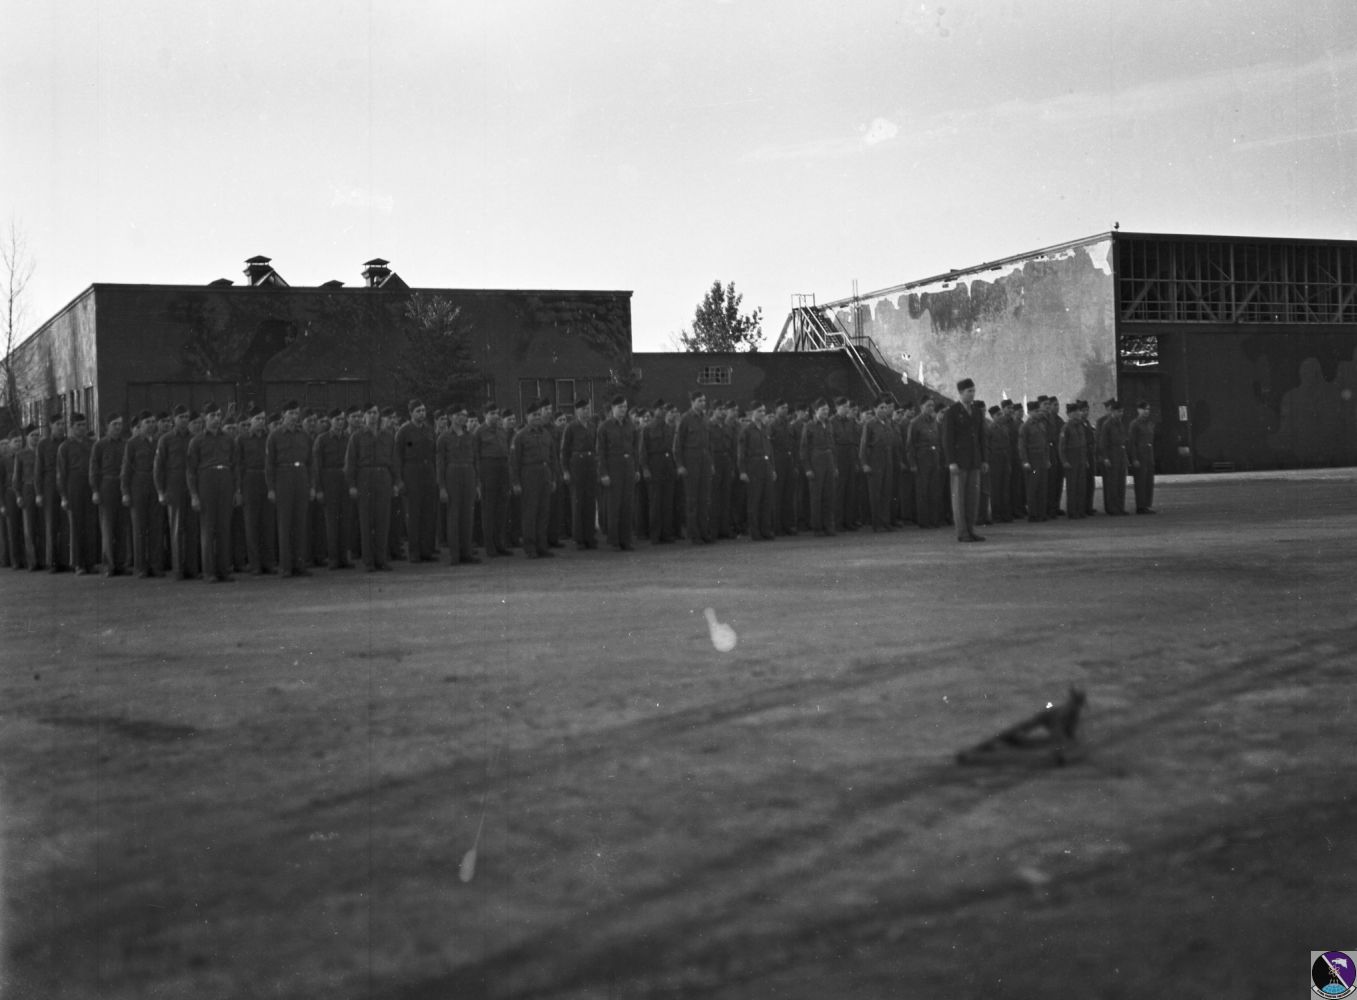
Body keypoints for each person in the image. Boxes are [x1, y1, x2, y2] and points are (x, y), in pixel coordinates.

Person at [187, 402, 238, 583]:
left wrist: (236, 490)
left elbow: (235, 466)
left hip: (225, 480)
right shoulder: (197, 441)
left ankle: (224, 570)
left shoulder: (228, 439)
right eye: (212, 416)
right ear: (204, 418)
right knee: (207, 529)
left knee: (224, 527)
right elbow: (191, 471)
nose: (216, 419)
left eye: (218, 415)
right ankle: (209, 572)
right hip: (206, 482)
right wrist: (194, 495)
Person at [345, 403, 398, 571]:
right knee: (366, 521)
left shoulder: (388, 436)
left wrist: (395, 483)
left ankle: (381, 559)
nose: (373, 416)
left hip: (383, 476)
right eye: (369, 413)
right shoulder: (357, 437)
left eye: (375, 413)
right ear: (364, 416)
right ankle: (368, 561)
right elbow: (350, 463)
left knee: (383, 520)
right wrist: (352, 485)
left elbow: (394, 461)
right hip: (365, 477)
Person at [267, 400, 314, 577]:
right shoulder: (275, 436)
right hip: (283, 477)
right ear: (283, 415)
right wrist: (271, 488)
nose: (294, 417)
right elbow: (269, 464)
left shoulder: (304, 436)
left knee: (300, 523)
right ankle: (285, 566)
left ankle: (299, 564)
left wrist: (311, 486)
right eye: (291, 413)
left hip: (301, 476)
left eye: (296, 413)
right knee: (285, 524)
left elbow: (311, 464)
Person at [510, 399, 558, 558]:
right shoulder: (520, 436)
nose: (537, 417)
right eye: (534, 415)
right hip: (529, 475)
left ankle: (541, 545)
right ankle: (530, 547)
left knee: (543, 512)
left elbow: (553, 458)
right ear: (527, 417)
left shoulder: (546, 434)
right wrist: (516, 482)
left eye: (538, 414)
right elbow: (514, 462)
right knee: (530, 513)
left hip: (545, 474)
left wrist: (553, 479)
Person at [941, 379, 987, 542]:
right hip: (959, 461)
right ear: (961, 393)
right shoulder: (952, 412)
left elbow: (981, 437)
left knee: (972, 498)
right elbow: (947, 439)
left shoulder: (976, 411)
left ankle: (971, 529)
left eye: (973, 391)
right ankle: (962, 532)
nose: (972, 394)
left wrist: (984, 459)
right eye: (969, 391)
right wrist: (951, 461)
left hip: (974, 460)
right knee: (959, 498)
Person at [154, 405, 196, 579]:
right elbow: (158, 468)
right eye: (181, 417)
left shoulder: (195, 438)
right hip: (174, 486)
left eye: (186, 417)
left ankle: (192, 568)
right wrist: (160, 491)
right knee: (177, 529)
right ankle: (178, 569)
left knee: (192, 528)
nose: (184, 420)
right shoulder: (166, 440)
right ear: (174, 419)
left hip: (191, 487)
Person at [121, 411, 163, 577]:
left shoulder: (159, 441)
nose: (151, 425)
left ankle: (156, 565)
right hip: (138, 485)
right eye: (147, 422)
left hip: (156, 486)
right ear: (140, 425)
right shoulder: (132, 443)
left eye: (153, 421)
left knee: (156, 527)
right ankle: (140, 567)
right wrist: (125, 492)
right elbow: (126, 468)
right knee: (139, 527)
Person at [437, 405, 480, 565]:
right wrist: (442, 487)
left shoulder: (471, 437)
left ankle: (467, 553)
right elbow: (440, 464)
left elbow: (476, 461)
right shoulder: (443, 438)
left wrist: (477, 484)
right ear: (450, 417)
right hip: (452, 474)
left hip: (469, 474)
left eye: (464, 415)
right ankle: (455, 555)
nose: (462, 418)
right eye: (458, 415)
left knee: (468, 515)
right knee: (454, 515)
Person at [395, 399, 438, 562]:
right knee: (413, 514)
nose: (421, 413)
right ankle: (414, 552)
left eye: (423, 410)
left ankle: (427, 551)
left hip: (428, 473)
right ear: (411, 413)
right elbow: (397, 457)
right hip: (411, 473)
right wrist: (399, 481)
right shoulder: (404, 431)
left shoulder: (429, 429)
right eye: (418, 411)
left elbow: (434, 454)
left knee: (428, 513)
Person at [236, 407, 276, 573]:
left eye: (263, 419)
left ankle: (269, 563)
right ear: (250, 420)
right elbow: (238, 465)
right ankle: (255, 564)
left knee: (268, 523)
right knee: (251, 524)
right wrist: (238, 489)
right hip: (250, 480)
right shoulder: (242, 439)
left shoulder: (270, 437)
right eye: (257, 419)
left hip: (267, 480)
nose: (261, 422)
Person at [596, 395, 639, 550]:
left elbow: (635, 449)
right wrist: (603, 473)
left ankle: (626, 540)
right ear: (613, 408)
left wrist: (636, 469)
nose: (623, 410)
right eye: (620, 407)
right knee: (614, 506)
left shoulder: (630, 425)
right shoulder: (605, 427)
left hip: (628, 467)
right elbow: (600, 452)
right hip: (613, 468)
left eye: (625, 407)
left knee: (627, 505)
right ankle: (614, 540)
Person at [313, 408, 354, 569]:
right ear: (330, 421)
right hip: (329, 480)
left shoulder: (349, 438)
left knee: (346, 521)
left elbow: (353, 462)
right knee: (331, 522)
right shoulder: (322, 440)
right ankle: (333, 558)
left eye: (342, 419)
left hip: (344, 480)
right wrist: (319, 489)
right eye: (337, 419)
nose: (340, 422)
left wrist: (352, 484)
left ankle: (344, 558)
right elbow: (317, 466)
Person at [90, 412, 129, 575]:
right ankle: (108, 564)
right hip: (106, 486)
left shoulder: (126, 444)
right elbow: (94, 469)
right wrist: (95, 490)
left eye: (120, 424)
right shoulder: (99, 446)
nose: (118, 427)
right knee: (107, 526)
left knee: (122, 527)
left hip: (122, 486)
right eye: (114, 424)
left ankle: (121, 563)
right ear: (107, 426)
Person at [56, 413, 96, 574]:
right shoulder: (65, 447)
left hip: (89, 485)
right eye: (78, 425)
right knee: (76, 525)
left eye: (84, 425)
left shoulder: (91, 444)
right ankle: (78, 563)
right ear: (71, 427)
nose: (82, 428)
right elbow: (61, 473)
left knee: (90, 525)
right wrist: (63, 496)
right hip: (73, 486)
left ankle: (90, 562)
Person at [675, 391, 714, 544]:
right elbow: (678, 444)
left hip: (704, 462)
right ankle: (693, 533)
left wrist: (711, 463)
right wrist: (680, 465)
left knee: (704, 499)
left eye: (704, 400)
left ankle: (704, 532)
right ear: (692, 402)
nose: (703, 403)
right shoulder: (685, 419)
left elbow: (709, 443)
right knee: (692, 500)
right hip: (691, 463)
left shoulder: (705, 419)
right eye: (700, 401)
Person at [561, 398, 599, 550]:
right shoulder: (571, 427)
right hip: (577, 464)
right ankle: (579, 538)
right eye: (583, 409)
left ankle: (589, 536)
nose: (586, 412)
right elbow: (564, 451)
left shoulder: (592, 426)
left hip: (590, 464)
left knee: (590, 502)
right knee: (578, 501)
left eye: (588, 409)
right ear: (577, 411)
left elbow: (596, 446)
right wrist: (565, 471)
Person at [738, 400, 777, 540]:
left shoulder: (766, 428)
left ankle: (765, 529)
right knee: (754, 500)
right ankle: (754, 531)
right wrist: (742, 471)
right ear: (752, 413)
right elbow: (741, 452)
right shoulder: (747, 430)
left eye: (763, 411)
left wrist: (773, 468)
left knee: (767, 499)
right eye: (759, 411)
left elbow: (770, 450)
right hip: (754, 466)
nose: (762, 413)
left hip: (766, 465)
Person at [34, 413, 68, 572]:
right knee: (51, 524)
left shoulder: (67, 442)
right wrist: (39, 493)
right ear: (51, 426)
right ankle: (52, 562)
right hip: (49, 486)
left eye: (62, 424)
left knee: (65, 523)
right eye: (58, 424)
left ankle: (66, 560)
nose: (61, 427)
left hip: (65, 485)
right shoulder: (43, 445)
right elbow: (38, 470)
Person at [858, 394, 897, 532]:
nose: (884, 410)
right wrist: (864, 463)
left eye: (885, 408)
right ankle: (876, 523)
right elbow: (863, 445)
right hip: (875, 461)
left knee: (886, 492)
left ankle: (885, 521)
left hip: (888, 460)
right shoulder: (870, 424)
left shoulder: (888, 423)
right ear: (875, 409)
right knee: (875, 493)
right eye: (881, 408)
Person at [800, 398, 837, 536]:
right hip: (816, 460)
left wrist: (835, 466)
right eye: (823, 409)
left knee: (829, 495)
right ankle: (817, 527)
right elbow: (804, 449)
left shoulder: (829, 424)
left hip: (829, 459)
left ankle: (829, 526)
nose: (826, 412)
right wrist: (808, 468)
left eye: (827, 409)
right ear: (815, 411)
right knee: (816, 496)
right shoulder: (809, 426)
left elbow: (833, 446)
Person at [907, 398, 942, 528]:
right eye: (928, 406)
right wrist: (912, 464)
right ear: (921, 407)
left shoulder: (934, 422)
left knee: (934, 490)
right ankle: (924, 521)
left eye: (932, 406)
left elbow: (938, 441)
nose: (931, 408)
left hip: (934, 459)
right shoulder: (915, 423)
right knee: (922, 491)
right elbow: (910, 445)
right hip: (922, 460)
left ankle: (934, 519)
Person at [12, 424, 43, 570]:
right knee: (29, 527)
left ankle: (43, 559)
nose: (35, 438)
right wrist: (18, 495)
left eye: (37, 435)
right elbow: (16, 478)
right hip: (28, 490)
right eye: (33, 435)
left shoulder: (42, 451)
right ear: (27, 437)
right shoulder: (21, 455)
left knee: (42, 525)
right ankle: (32, 561)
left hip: (42, 490)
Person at [1097, 398, 1130, 515]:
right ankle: (1112, 508)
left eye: (1122, 411)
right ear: (1113, 411)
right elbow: (1103, 443)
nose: (1121, 413)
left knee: (1121, 483)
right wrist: (1105, 457)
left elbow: (1123, 442)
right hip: (1112, 455)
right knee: (1112, 483)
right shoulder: (1107, 424)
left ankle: (1120, 507)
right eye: (1119, 411)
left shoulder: (1120, 424)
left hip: (1120, 456)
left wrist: (1125, 458)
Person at [1018, 400, 1049, 522]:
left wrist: (1047, 459)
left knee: (1042, 486)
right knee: (1033, 487)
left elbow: (1045, 443)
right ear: (1029, 412)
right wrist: (1025, 461)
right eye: (1035, 411)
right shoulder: (1025, 427)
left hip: (1041, 459)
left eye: (1038, 411)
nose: (1038, 413)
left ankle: (1042, 513)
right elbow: (1022, 446)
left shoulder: (1041, 425)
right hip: (1032, 460)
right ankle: (1033, 514)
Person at [1057, 403, 1088, 521]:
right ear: (1069, 414)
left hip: (1081, 459)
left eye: (1078, 411)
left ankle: (1080, 510)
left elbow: (1083, 445)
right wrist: (1064, 461)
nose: (1078, 414)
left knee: (1081, 486)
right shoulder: (1066, 427)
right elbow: (1061, 447)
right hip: (1071, 460)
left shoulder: (1080, 426)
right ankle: (1072, 511)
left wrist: (1085, 459)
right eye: (1075, 412)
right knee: (1072, 487)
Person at [985, 405, 1013, 523]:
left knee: (1005, 486)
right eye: (998, 415)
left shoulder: (1004, 428)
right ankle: (996, 514)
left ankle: (1004, 513)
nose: (1001, 416)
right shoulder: (990, 429)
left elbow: (1008, 444)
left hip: (1004, 458)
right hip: (995, 459)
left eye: (1001, 414)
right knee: (996, 488)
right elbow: (987, 446)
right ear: (992, 416)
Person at [1129, 400, 1157, 513]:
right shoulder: (1135, 424)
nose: (1146, 411)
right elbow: (1132, 443)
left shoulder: (1150, 424)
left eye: (1148, 409)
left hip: (1149, 455)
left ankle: (1147, 504)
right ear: (1138, 410)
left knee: (1149, 481)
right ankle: (1140, 506)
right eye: (1144, 409)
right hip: (1140, 456)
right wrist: (1134, 458)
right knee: (1141, 481)